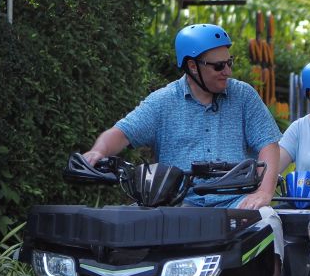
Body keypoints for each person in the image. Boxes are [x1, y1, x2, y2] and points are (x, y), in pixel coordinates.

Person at [83, 23, 282, 210]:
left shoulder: (244, 96)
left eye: (229, 62)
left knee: (268, 220)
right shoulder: (162, 101)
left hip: (237, 202)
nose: (228, 72)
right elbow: (122, 133)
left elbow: (269, 145)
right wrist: (98, 151)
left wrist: (264, 192)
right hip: (177, 204)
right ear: (193, 66)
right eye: (219, 66)